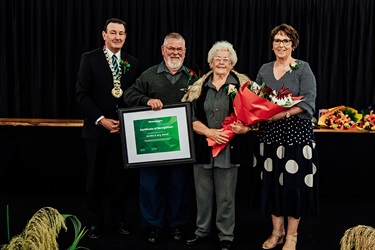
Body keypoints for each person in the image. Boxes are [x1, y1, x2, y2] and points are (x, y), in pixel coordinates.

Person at [123, 32, 198, 244]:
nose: (175, 52)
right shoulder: (149, 75)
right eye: (171, 48)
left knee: (179, 187)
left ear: (184, 51)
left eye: (179, 49)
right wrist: (147, 100)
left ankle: (177, 225)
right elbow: (128, 95)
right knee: (150, 186)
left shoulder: (193, 77)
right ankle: (152, 226)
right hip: (152, 144)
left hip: (181, 144)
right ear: (163, 50)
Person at [254, 23, 319, 250]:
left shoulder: (303, 68)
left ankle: (291, 236)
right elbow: (256, 98)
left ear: (293, 44)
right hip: (270, 135)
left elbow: (308, 101)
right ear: (272, 45)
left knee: (293, 184)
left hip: (296, 137)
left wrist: (283, 113)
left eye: (285, 41)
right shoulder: (264, 69)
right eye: (277, 40)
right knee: (272, 184)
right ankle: (276, 232)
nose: (281, 44)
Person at [182, 41, 252, 250]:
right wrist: (209, 132)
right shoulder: (198, 86)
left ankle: (226, 235)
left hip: (229, 150)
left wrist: (245, 129)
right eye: (217, 59)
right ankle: (202, 230)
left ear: (232, 63)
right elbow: (190, 117)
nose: (221, 62)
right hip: (203, 148)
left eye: (225, 59)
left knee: (226, 197)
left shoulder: (243, 86)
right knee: (202, 195)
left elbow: (252, 118)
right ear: (210, 63)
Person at [76, 18, 140, 239]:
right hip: (96, 131)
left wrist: (127, 120)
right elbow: (82, 95)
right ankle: (94, 222)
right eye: (113, 33)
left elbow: (134, 96)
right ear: (104, 35)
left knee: (120, 180)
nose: (117, 37)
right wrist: (101, 119)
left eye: (121, 33)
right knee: (94, 179)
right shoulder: (89, 59)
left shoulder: (133, 62)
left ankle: (119, 220)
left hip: (122, 132)